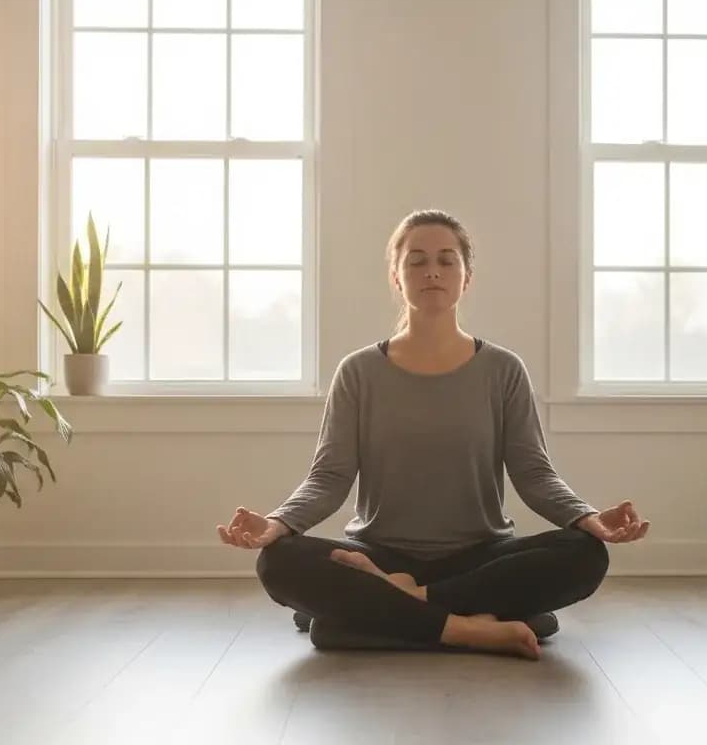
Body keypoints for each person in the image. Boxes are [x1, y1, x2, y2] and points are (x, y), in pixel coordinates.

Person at [217, 209, 650, 660]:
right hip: (377, 554)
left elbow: (534, 472)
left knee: (585, 554)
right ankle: (473, 627)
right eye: (416, 260)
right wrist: (277, 524)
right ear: (396, 276)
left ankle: (385, 611)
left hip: (481, 557)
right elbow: (329, 477)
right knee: (278, 561)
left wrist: (588, 518)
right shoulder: (358, 372)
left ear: (466, 278)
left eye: (447, 260)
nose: (432, 271)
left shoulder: (503, 370)